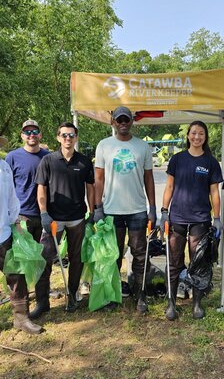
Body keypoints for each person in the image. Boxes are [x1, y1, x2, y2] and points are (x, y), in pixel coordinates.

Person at [94, 106, 156, 313]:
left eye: (126, 120)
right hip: (112, 210)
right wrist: (97, 207)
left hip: (137, 210)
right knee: (114, 255)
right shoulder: (104, 145)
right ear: (113, 122)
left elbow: (149, 178)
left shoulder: (142, 147)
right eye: (119, 120)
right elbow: (99, 179)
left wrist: (153, 207)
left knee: (139, 254)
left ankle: (140, 294)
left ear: (131, 122)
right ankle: (112, 295)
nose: (123, 123)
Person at [30, 122, 95, 317]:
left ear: (76, 138)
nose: (68, 139)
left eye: (72, 135)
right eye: (64, 135)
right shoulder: (48, 161)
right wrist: (43, 212)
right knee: (45, 259)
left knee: (76, 258)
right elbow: (41, 188)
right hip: (53, 220)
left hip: (77, 219)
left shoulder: (84, 161)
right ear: (58, 137)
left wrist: (93, 212)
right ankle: (42, 302)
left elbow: (91, 187)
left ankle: (73, 294)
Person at [160, 121, 223, 320]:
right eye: (194, 133)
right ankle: (171, 303)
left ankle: (197, 303)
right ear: (188, 135)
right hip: (177, 218)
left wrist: (218, 218)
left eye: (201, 133)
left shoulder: (210, 162)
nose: (197, 137)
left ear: (205, 137)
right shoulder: (177, 159)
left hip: (200, 219)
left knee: (199, 262)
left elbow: (215, 192)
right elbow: (169, 187)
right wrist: (163, 211)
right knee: (174, 260)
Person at [0, 136, 43, 334]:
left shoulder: (3, 167)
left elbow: (11, 197)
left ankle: (21, 318)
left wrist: (16, 220)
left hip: (4, 232)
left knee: (15, 275)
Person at [6, 119, 49, 243]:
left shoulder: (48, 157)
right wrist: (12, 216)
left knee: (42, 257)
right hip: (21, 216)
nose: (32, 135)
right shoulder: (12, 157)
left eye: (35, 131)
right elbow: (7, 188)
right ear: (22, 136)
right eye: (27, 132)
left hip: (44, 215)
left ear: (40, 135)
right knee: (23, 258)